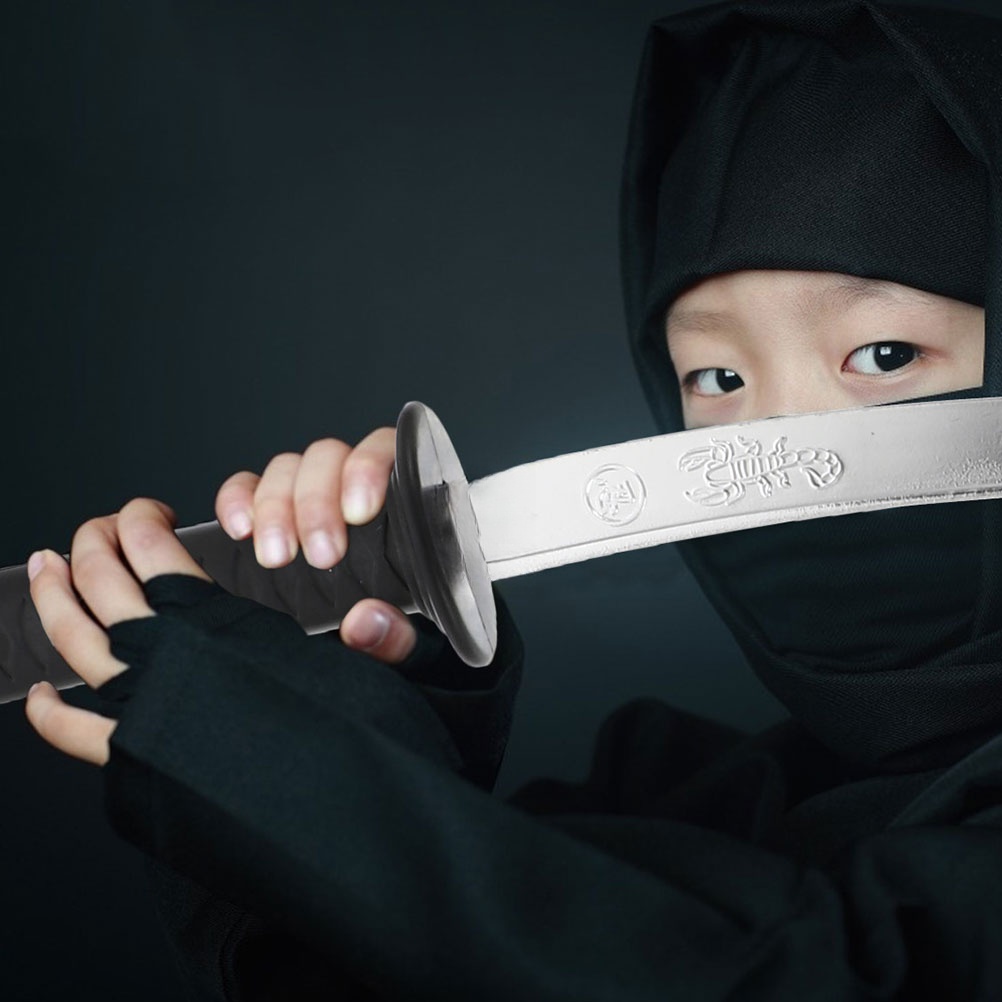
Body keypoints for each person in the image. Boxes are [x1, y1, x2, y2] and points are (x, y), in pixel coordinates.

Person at [21, 0, 1002, 998]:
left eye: (886, 355)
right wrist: (351, 742)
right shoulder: (665, 796)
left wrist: (345, 811)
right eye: (717, 378)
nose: (774, 443)